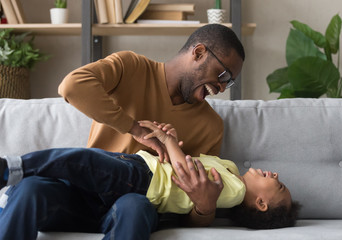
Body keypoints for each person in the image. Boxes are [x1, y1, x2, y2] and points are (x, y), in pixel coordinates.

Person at [0, 24, 245, 240]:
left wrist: (205, 207)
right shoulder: (131, 66)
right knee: (29, 189)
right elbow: (72, 86)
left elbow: (188, 214)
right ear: (199, 53)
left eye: (230, 81)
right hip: (82, 190)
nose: (222, 87)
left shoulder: (211, 126)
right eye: (223, 75)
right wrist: (133, 128)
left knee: (135, 207)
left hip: (135, 204)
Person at [0, 121, 300, 230]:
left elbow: (187, 174)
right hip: (134, 167)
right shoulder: (230, 168)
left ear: (261, 203)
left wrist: (169, 142)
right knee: (42, 182)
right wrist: (169, 142)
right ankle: (16, 181)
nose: (274, 173)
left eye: (279, 183)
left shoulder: (233, 188)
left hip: (140, 182)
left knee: (81, 161)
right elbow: (183, 165)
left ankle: (9, 168)